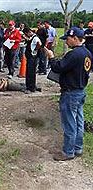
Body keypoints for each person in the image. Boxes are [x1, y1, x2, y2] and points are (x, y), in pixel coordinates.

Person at [45, 27, 92, 161]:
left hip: (70, 93)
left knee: (69, 123)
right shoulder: (87, 53)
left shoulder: (74, 54)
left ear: (75, 38)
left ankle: (68, 152)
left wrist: (52, 57)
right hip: (80, 91)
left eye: (68, 39)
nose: (66, 42)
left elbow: (58, 68)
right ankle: (78, 147)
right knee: (78, 121)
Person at [23, 27, 41, 93]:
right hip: (29, 56)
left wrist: (35, 50)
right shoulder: (31, 37)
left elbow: (39, 43)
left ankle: (31, 87)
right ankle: (30, 86)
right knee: (29, 71)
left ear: (28, 32)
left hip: (32, 57)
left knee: (31, 72)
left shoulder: (35, 37)